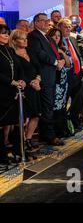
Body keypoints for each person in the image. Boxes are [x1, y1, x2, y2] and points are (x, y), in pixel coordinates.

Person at [28, 13, 65, 146]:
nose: (45, 23)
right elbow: (40, 54)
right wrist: (56, 62)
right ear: (36, 22)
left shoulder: (46, 37)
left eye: (46, 21)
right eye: (42, 21)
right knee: (47, 106)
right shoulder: (33, 36)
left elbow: (54, 51)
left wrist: (60, 61)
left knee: (49, 106)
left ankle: (47, 134)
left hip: (51, 75)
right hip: (44, 75)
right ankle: (49, 136)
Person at [10, 29, 41, 154]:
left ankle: (28, 139)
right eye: (22, 39)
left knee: (36, 115)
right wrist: (31, 83)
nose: (25, 41)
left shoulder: (30, 51)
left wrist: (38, 79)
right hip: (23, 88)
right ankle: (21, 142)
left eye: (26, 38)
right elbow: (18, 73)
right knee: (23, 117)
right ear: (14, 41)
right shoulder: (12, 53)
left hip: (35, 86)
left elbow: (38, 67)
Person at [0, 24, 26, 167]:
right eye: (3, 34)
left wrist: (21, 80)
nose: (6, 36)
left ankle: (18, 151)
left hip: (14, 92)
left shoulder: (9, 50)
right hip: (2, 92)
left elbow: (19, 66)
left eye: (7, 33)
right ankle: (2, 154)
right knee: (2, 125)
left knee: (16, 122)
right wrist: (11, 81)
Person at [58, 19, 83, 132]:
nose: (68, 28)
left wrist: (82, 65)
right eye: (65, 26)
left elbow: (78, 56)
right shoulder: (57, 41)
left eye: (70, 26)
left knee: (78, 101)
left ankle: (74, 122)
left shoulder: (73, 39)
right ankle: (63, 125)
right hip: (65, 77)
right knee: (64, 103)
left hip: (77, 75)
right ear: (59, 28)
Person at [47, 28, 72, 138]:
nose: (57, 37)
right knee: (54, 107)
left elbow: (68, 64)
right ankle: (55, 131)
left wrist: (62, 52)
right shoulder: (48, 49)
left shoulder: (62, 48)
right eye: (54, 35)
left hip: (63, 81)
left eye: (59, 35)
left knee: (62, 106)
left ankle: (62, 129)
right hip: (54, 81)